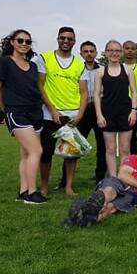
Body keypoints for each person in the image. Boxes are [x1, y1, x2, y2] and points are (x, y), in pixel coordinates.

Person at [0, 29, 46, 204]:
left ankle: (23, 191)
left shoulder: (33, 66)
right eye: (20, 40)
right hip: (17, 112)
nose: (24, 44)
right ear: (12, 42)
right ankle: (32, 193)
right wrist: (6, 110)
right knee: (37, 151)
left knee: (27, 154)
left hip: (35, 112)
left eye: (27, 42)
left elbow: (36, 88)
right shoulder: (4, 62)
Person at [64, 138, 137, 227]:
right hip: (120, 183)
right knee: (109, 191)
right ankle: (92, 208)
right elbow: (123, 174)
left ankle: (80, 219)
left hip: (135, 196)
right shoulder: (135, 159)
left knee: (111, 208)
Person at [36, 26, 89, 196]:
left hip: (72, 114)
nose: (66, 41)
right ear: (57, 38)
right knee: (46, 152)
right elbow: (40, 85)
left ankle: (68, 186)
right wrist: (52, 109)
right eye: (63, 38)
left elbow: (84, 92)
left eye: (70, 39)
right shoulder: (45, 58)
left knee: (71, 153)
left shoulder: (80, 64)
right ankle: (44, 187)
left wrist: (80, 115)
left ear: (74, 41)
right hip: (50, 114)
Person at [94, 40, 137, 178]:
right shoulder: (100, 71)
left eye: (117, 50)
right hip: (108, 113)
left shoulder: (127, 70)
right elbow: (96, 95)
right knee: (110, 149)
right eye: (111, 50)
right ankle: (114, 179)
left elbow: (134, 92)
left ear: (121, 53)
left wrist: (133, 110)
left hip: (125, 112)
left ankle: (124, 178)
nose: (114, 53)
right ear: (106, 52)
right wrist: (99, 115)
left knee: (125, 148)